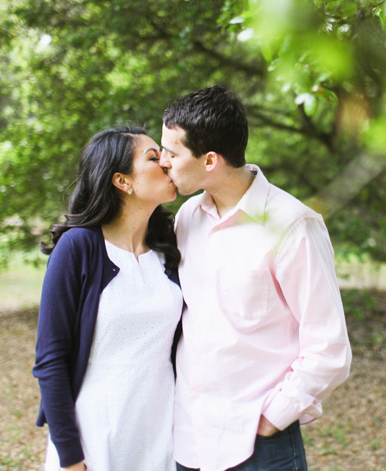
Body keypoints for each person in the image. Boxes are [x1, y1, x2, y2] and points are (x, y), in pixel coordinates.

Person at [159, 86, 352, 471]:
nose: (163, 162)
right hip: (189, 441)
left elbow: (329, 346)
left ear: (210, 160)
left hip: (258, 446)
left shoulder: (292, 226)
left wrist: (271, 419)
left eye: (172, 152)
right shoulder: (186, 218)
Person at [33, 126, 182, 471]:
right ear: (122, 181)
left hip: (163, 435)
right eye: (153, 158)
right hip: (95, 435)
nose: (168, 164)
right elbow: (50, 359)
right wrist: (71, 458)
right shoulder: (79, 248)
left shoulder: (169, 250)